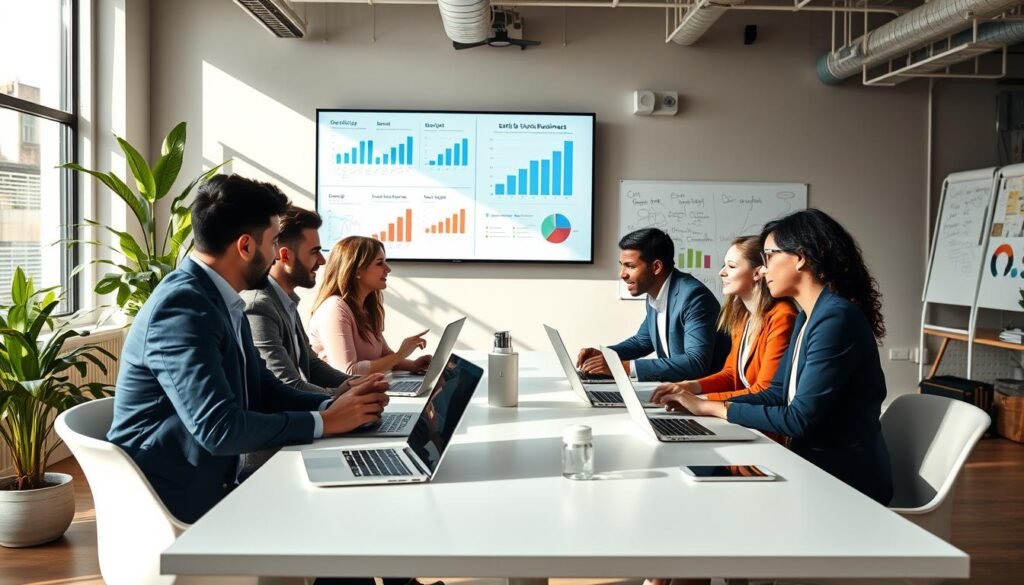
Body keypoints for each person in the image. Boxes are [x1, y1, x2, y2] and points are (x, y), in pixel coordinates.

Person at [106, 174, 391, 525]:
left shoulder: (221, 298)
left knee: (346, 499)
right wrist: (324, 422)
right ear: (245, 246)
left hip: (215, 477)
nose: (275, 255)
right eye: (273, 242)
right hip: (175, 501)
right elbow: (219, 429)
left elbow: (262, 386)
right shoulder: (181, 308)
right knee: (333, 512)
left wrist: (335, 406)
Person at [656, 209, 894, 505]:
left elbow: (798, 419)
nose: (764, 269)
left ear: (801, 258)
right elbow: (776, 393)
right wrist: (698, 404)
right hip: (808, 465)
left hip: (842, 482)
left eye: (769, 256)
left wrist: (711, 408)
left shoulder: (836, 319)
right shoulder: (808, 315)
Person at [651, 235, 796, 405]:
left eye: (731, 266)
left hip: (761, 425)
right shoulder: (743, 315)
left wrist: (699, 401)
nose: (722, 272)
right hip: (741, 415)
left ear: (757, 273)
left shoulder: (782, 316)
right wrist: (688, 386)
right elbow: (730, 375)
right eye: (724, 265)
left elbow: (764, 392)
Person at [577, 227, 723, 382]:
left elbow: (696, 363)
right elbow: (642, 342)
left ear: (656, 267)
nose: (622, 274)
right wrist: (605, 356)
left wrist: (625, 368)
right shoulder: (656, 293)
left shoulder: (693, 297)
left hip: (703, 394)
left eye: (630, 266)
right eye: (622, 265)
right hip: (676, 390)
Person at [241, 205, 356, 397]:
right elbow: (287, 385)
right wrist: (341, 395)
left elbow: (311, 364)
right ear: (285, 256)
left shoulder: (286, 300)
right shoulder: (258, 305)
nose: (322, 261)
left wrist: (358, 384)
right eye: (314, 252)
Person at [308, 236, 432, 376]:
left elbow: (384, 355)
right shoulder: (334, 309)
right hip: (339, 395)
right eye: (379, 263)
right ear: (357, 270)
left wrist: (413, 365)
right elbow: (348, 371)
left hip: (364, 389)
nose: (388, 269)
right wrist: (400, 354)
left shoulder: (365, 308)